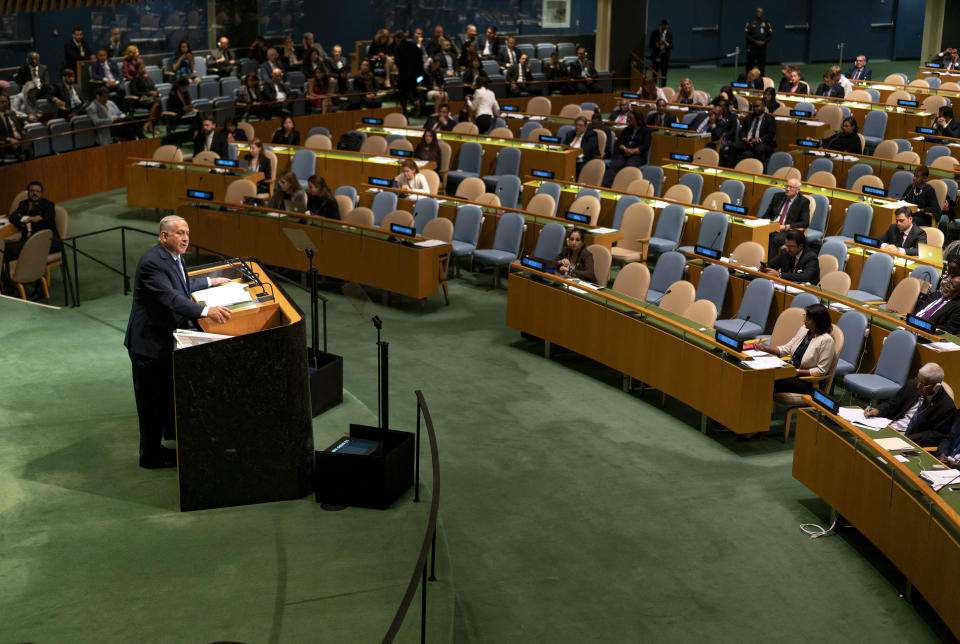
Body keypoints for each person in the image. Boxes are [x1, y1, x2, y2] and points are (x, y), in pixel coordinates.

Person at [124, 215, 232, 468]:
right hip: (148, 346)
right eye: (180, 233)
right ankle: (149, 457)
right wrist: (206, 312)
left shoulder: (173, 257)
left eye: (187, 233)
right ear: (164, 236)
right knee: (150, 405)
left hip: (163, 341)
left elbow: (182, 284)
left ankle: (162, 442)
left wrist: (210, 281)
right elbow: (171, 297)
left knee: (162, 398)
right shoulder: (152, 263)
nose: (185, 238)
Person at [864, 363, 954, 447]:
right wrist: (878, 410)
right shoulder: (912, 385)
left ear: (936, 387)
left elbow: (936, 435)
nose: (918, 386)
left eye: (923, 384)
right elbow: (893, 404)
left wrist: (907, 438)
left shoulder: (946, 406)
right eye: (918, 380)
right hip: (889, 428)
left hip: (909, 440)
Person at [755, 303, 835, 397]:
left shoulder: (826, 341)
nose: (804, 320)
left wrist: (795, 371)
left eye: (808, 319)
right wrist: (764, 348)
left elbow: (821, 371)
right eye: (805, 316)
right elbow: (786, 349)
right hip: (790, 372)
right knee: (763, 373)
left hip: (806, 381)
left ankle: (763, 409)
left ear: (818, 321)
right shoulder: (803, 330)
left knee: (771, 378)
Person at [601, 110, 651, 188]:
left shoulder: (646, 131)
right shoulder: (626, 129)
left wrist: (633, 151)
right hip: (624, 153)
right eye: (628, 118)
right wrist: (624, 148)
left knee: (628, 167)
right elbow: (619, 142)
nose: (628, 120)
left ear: (638, 120)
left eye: (630, 119)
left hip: (637, 156)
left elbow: (645, 146)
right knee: (615, 165)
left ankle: (622, 188)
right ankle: (604, 186)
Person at [763, 178, 809, 256]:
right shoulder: (778, 196)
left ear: (798, 189)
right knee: (756, 232)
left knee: (774, 238)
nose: (787, 189)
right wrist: (771, 225)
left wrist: (785, 227)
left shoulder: (803, 202)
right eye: (786, 186)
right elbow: (767, 215)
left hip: (788, 231)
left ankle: (770, 265)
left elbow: (805, 223)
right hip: (772, 226)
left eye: (791, 187)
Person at [729, 99, 776, 166]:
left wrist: (758, 140)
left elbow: (770, 134)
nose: (755, 108)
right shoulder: (749, 117)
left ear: (764, 106)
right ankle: (731, 167)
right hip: (747, 142)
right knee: (733, 146)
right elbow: (742, 131)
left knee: (759, 149)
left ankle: (758, 170)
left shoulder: (770, 119)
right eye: (754, 107)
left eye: (757, 106)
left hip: (761, 143)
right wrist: (745, 138)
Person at [744, 7, 772, 75]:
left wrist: (764, 42)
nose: (759, 13)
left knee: (761, 65)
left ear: (762, 13)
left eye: (761, 12)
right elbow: (747, 36)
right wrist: (755, 41)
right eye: (758, 12)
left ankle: (762, 79)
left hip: (762, 47)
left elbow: (770, 35)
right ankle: (748, 79)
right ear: (756, 12)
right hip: (752, 47)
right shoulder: (750, 23)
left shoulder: (766, 23)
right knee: (750, 65)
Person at [0, 94, 28, 161]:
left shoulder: (11, 113)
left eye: (6, 102)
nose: (4, 104)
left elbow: (21, 127)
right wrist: (8, 140)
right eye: (1, 102)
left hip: (20, 141)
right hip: (6, 144)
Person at [650, 19, 673, 87]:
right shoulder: (654, 33)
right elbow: (650, 45)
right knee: (655, 74)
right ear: (661, 25)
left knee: (664, 74)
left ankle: (663, 88)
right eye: (664, 26)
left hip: (665, 57)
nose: (665, 28)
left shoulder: (669, 34)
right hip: (656, 56)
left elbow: (672, 45)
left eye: (666, 27)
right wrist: (658, 44)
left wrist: (667, 44)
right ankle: (654, 87)